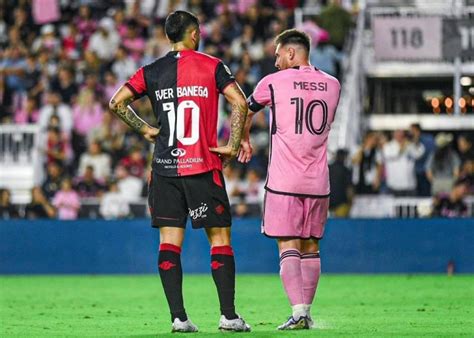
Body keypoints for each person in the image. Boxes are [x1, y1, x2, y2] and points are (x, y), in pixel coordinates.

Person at [109, 10, 250, 333]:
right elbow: (240, 103)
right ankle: (228, 317)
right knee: (220, 239)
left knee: (169, 242)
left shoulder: (151, 71)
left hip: (164, 170)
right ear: (195, 34)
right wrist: (233, 142)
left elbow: (116, 103)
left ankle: (178, 318)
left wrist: (144, 128)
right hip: (202, 166)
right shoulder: (212, 66)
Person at [239, 29, 341, 330]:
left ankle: (297, 312)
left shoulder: (272, 82)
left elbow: (246, 107)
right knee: (312, 247)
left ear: (292, 53)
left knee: (288, 245)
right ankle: (306, 312)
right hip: (319, 181)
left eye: (278, 54)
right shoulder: (333, 85)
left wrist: (244, 139)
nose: (276, 60)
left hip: (284, 180)